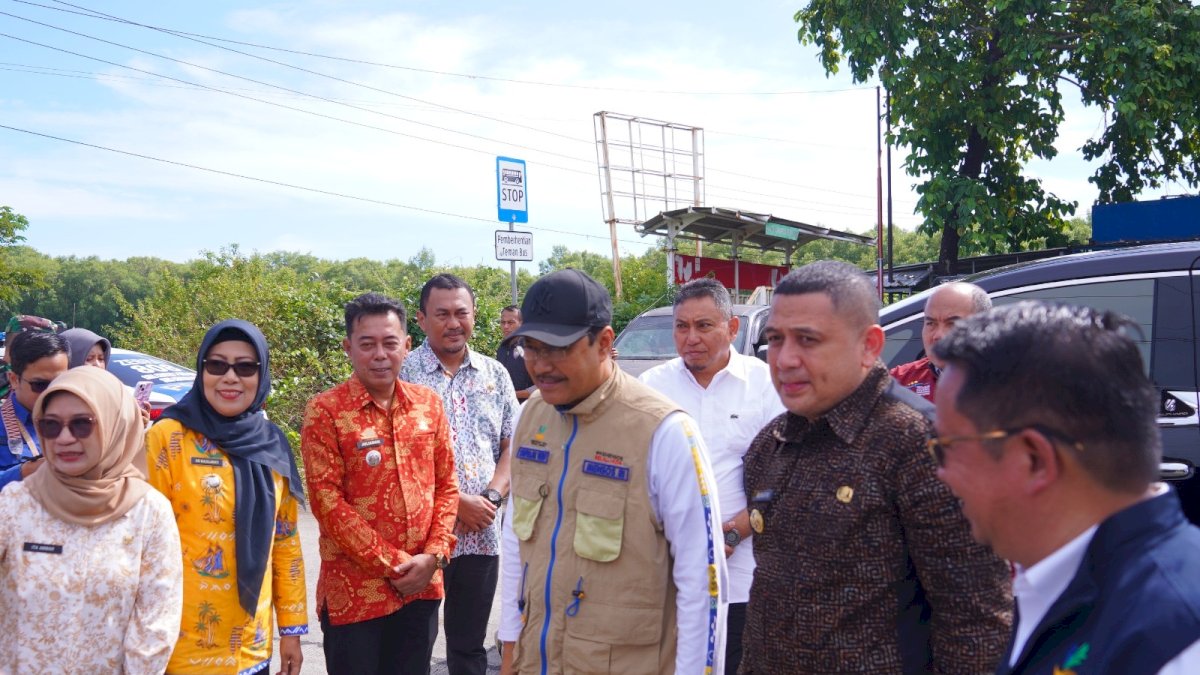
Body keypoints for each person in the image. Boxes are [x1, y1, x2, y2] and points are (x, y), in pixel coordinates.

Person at [740, 260, 1012, 674]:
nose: (785, 359)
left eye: (808, 340)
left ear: (869, 345)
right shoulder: (770, 446)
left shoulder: (921, 445)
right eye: (775, 339)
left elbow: (976, 623)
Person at [932, 301, 1200, 674]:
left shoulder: (1178, 644)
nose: (941, 473)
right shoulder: (1057, 578)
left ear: (1034, 459)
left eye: (948, 447)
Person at [498, 268, 727, 675]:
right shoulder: (528, 419)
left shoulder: (665, 432)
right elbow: (517, 543)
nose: (541, 365)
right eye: (530, 348)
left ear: (604, 343)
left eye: (558, 349)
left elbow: (702, 583)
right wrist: (510, 647)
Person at [301, 292, 459, 675]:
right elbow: (326, 503)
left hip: (422, 588)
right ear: (348, 348)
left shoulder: (428, 404)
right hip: (355, 595)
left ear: (406, 345)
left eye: (390, 343)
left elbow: (447, 485)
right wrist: (397, 564)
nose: (379, 354)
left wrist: (434, 556)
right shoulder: (326, 411)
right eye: (367, 344)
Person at [638, 277, 783, 675]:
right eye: (682, 326)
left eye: (704, 326)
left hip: (743, 576)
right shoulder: (651, 388)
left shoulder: (766, 385)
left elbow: (785, 478)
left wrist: (731, 534)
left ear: (732, 328)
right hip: (669, 574)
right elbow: (637, 476)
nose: (691, 338)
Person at [146, 320, 308, 675]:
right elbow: (145, 544)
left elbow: (285, 542)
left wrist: (292, 630)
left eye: (245, 367)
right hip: (178, 645)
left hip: (250, 645)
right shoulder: (167, 437)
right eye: (217, 365)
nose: (230, 377)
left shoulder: (272, 443)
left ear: (260, 375)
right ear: (201, 369)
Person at [0, 366, 183, 672]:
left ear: (114, 424)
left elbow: (156, 624)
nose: (65, 438)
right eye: (51, 426)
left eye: (82, 425)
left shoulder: (148, 512)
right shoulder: (16, 503)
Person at [401, 274, 517, 675]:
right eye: (442, 314)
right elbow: (399, 461)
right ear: (421, 318)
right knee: (413, 644)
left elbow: (510, 445)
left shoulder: (494, 375)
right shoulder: (402, 375)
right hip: (421, 538)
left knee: (469, 648)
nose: (453, 323)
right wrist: (456, 504)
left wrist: (492, 499)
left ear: (473, 315)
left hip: (481, 537)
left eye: (461, 313)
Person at [889, 281, 991, 401]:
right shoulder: (900, 381)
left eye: (952, 324)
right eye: (931, 323)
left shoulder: (1009, 385)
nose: (938, 335)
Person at [0, 331, 70, 490]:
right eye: (40, 385)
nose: (52, 391)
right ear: (14, 379)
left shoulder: (82, 420)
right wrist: (24, 472)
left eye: (60, 382)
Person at [495, 305, 535, 401]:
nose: (506, 326)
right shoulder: (502, 348)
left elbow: (542, 387)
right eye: (503, 322)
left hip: (528, 409)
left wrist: (512, 394)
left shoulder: (532, 348)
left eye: (511, 322)